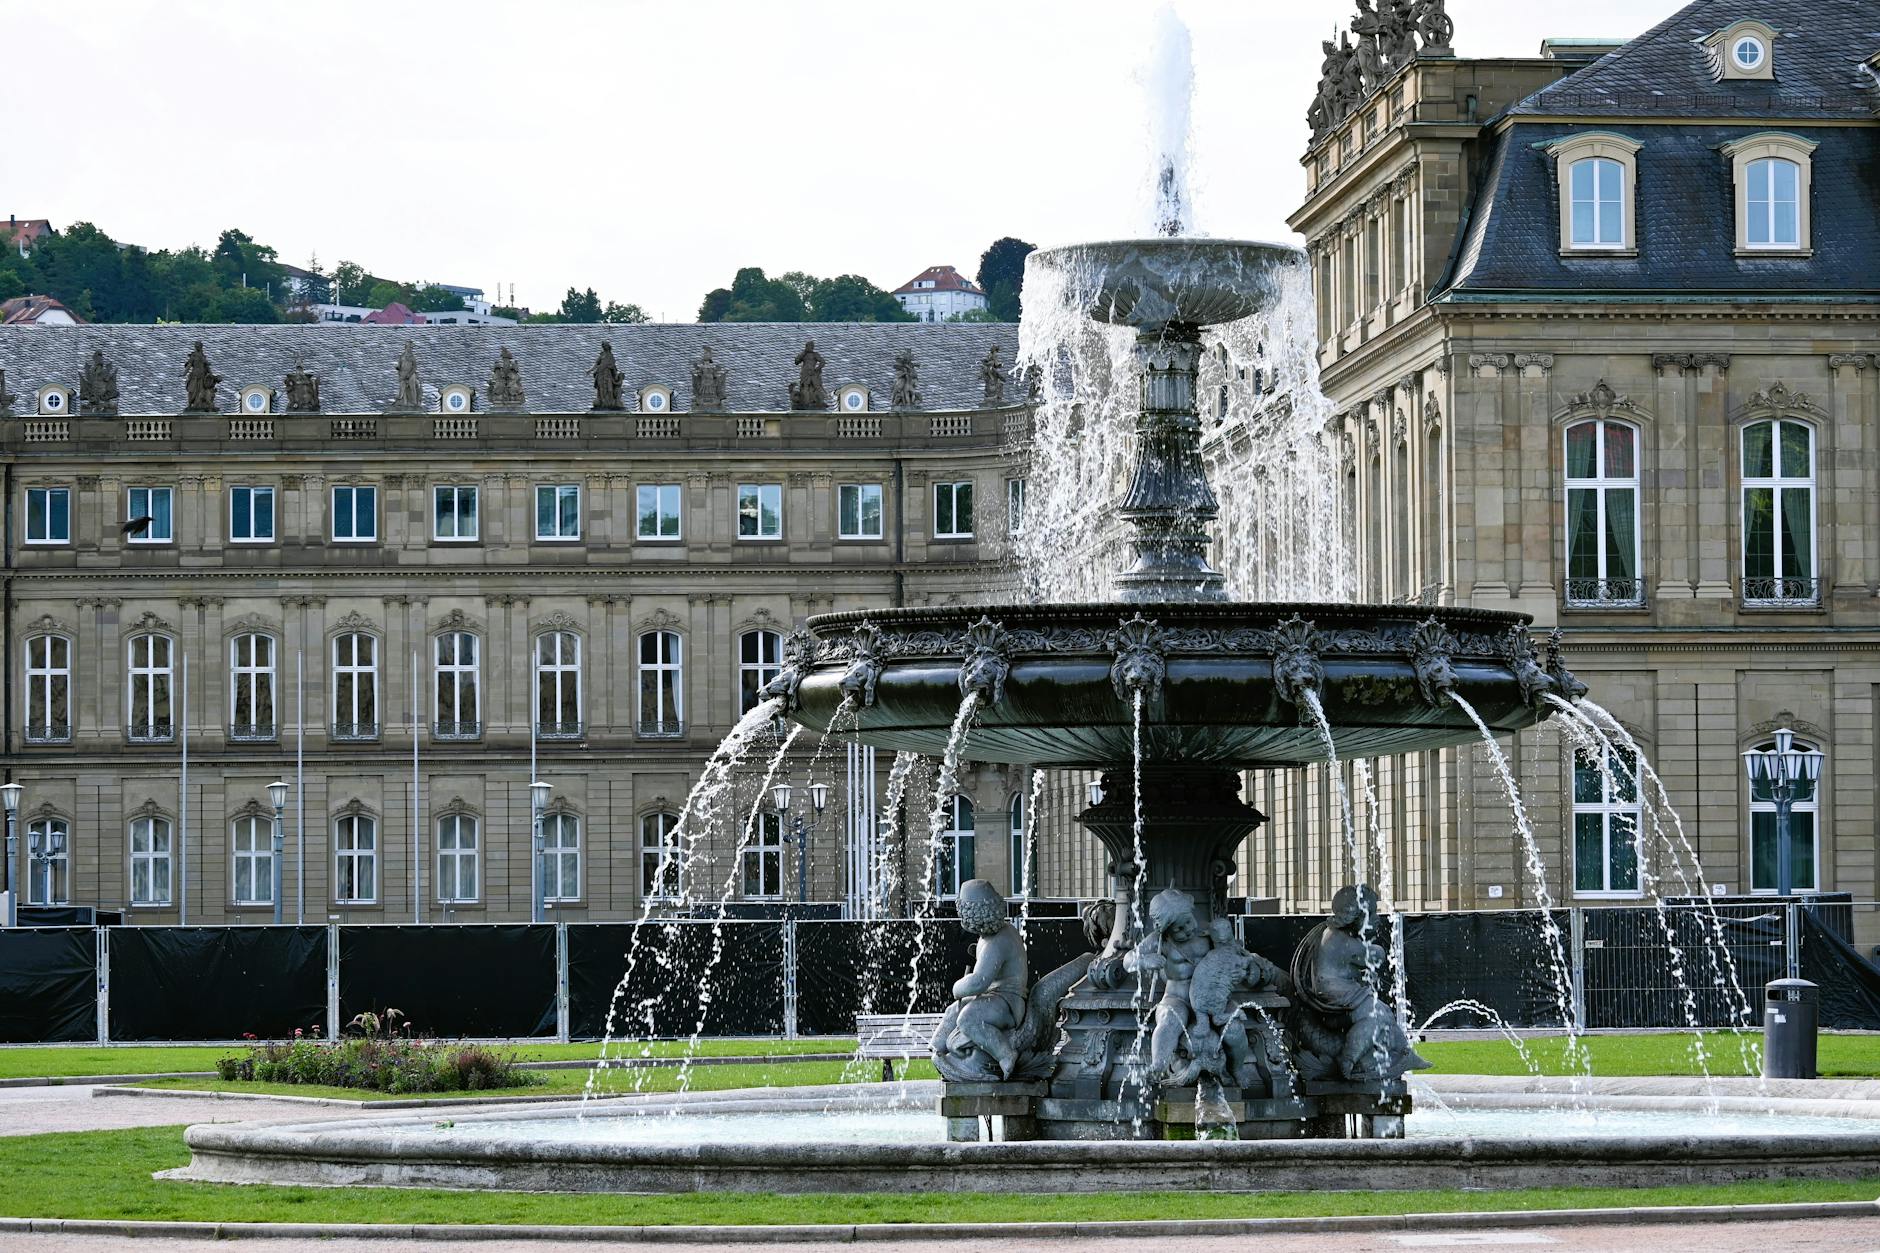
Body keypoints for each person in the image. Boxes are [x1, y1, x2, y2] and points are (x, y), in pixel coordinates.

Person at [932, 878, 1027, 1078]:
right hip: (993, 998)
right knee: (953, 1010)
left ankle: (1005, 1055)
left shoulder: (998, 941)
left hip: (1008, 1003)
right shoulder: (988, 937)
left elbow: (978, 982)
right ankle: (937, 1049)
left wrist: (957, 988)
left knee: (968, 1019)